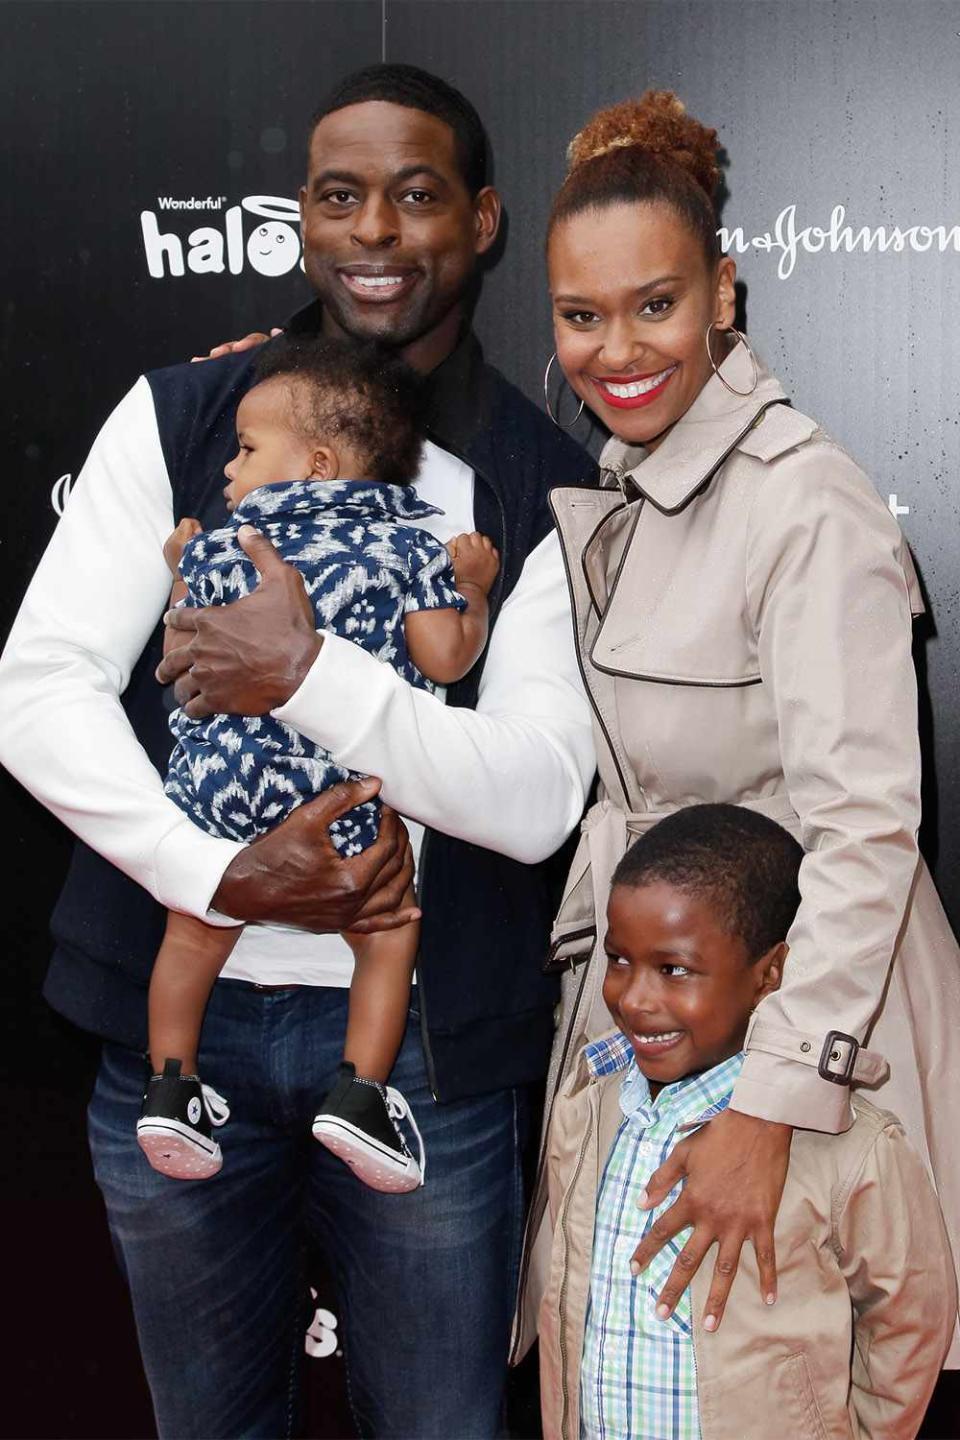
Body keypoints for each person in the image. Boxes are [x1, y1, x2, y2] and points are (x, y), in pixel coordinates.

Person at [0, 65, 597, 1438]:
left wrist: (309, 673)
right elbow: (38, 691)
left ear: (485, 221)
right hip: (181, 1038)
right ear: (302, 220)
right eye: (339, 196)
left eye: (416, 195)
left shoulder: (524, 481)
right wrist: (216, 876)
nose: (374, 233)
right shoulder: (186, 418)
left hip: (423, 1068)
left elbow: (536, 795)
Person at [512, 90, 960, 1363]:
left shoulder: (804, 502)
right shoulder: (629, 490)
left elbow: (865, 830)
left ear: (724, 295)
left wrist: (775, 1106)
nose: (617, 350)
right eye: (581, 317)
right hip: (665, 1024)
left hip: (813, 1045)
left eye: (654, 305)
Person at [140, 334, 499, 1193]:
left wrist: (181, 574)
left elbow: (184, 652)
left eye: (247, 449)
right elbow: (446, 658)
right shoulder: (416, 548)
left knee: (194, 929)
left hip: (225, 791)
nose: (228, 470)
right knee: (387, 930)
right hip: (338, 797)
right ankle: (363, 1091)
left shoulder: (226, 547)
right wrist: (475, 592)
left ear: (317, 462)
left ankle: (170, 1087)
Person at [539, 804, 955, 1440]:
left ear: (771, 975)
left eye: (673, 969)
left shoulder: (850, 1146)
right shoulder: (588, 1104)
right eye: (619, 960)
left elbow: (911, 1315)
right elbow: (567, 1303)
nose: (634, 998)